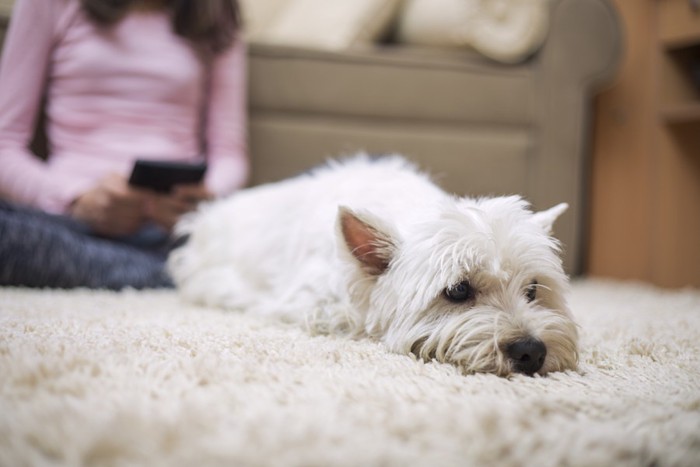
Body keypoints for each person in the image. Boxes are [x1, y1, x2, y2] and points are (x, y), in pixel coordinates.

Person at [0, 0, 248, 289]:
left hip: (174, 232)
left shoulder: (216, 10)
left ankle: (163, 271)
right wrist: (76, 200)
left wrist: (200, 202)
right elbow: (4, 145)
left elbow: (230, 155)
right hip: (69, 227)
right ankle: (168, 276)